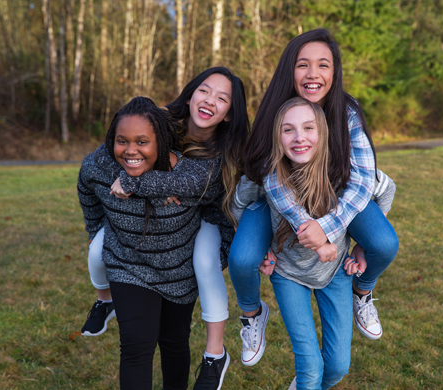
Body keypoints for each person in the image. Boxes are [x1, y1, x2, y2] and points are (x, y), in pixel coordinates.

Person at [227, 27, 400, 366]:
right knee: (243, 257)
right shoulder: (274, 110)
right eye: (302, 64)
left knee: (384, 243)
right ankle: (251, 315)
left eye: (323, 65)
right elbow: (264, 174)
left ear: (334, 73)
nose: (313, 74)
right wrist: (277, 238)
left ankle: (362, 291)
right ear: (289, 70)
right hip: (274, 196)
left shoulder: (346, 111)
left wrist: (330, 227)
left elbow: (364, 178)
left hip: (336, 193)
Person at [82, 67, 250, 390]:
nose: (209, 100)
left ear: (230, 114)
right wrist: (103, 222)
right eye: (204, 90)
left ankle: (215, 354)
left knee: (201, 269)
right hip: (134, 249)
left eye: (222, 97)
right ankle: (105, 300)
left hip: (203, 225)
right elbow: (120, 150)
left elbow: (192, 182)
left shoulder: (225, 152)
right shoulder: (161, 120)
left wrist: (140, 182)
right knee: (97, 250)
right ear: (190, 95)